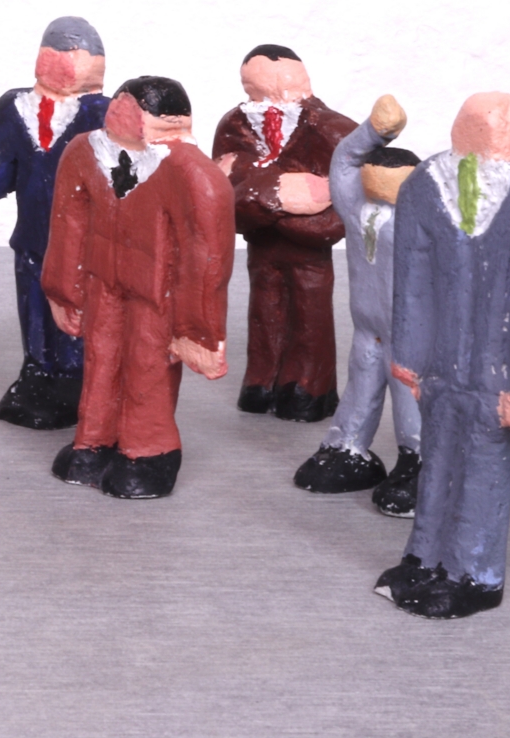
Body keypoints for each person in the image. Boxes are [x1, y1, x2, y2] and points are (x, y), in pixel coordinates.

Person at [375, 93, 510, 619]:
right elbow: (412, 278)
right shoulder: (426, 186)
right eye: (483, 122)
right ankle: (425, 556)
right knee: (437, 457)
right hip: (441, 363)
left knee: (483, 467)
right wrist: (410, 357)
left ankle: (474, 573)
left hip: (501, 374)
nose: (499, 130)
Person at [42, 76, 236, 499]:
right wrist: (64, 290)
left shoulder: (190, 173)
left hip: (156, 293)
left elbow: (207, 254)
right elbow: (69, 220)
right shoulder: (85, 152)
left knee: (148, 365)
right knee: (100, 358)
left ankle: (149, 450)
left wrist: (196, 329)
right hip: (102, 281)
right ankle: (94, 439)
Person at [292, 95, 425, 516]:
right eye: (375, 176)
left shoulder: (426, 222)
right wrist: (374, 131)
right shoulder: (357, 208)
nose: (381, 185)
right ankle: (347, 447)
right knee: (361, 385)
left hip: (412, 334)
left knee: (410, 397)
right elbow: (344, 161)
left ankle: (418, 462)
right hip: (368, 326)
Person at [0, 16, 110, 429]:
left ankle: (74, 377)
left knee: (74, 309)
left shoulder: (103, 114)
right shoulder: (13, 108)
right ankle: (36, 369)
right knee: (34, 305)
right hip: (32, 238)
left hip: (84, 245)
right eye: (67, 54)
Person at [212, 45, 356, 422]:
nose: (286, 94)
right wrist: (281, 193)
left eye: (294, 85)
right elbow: (221, 189)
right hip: (261, 244)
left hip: (309, 247)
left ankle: (307, 386)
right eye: (256, 90)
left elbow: (348, 201)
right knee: (264, 309)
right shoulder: (235, 125)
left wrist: (258, 192)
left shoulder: (335, 130)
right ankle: (262, 379)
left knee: (310, 312)